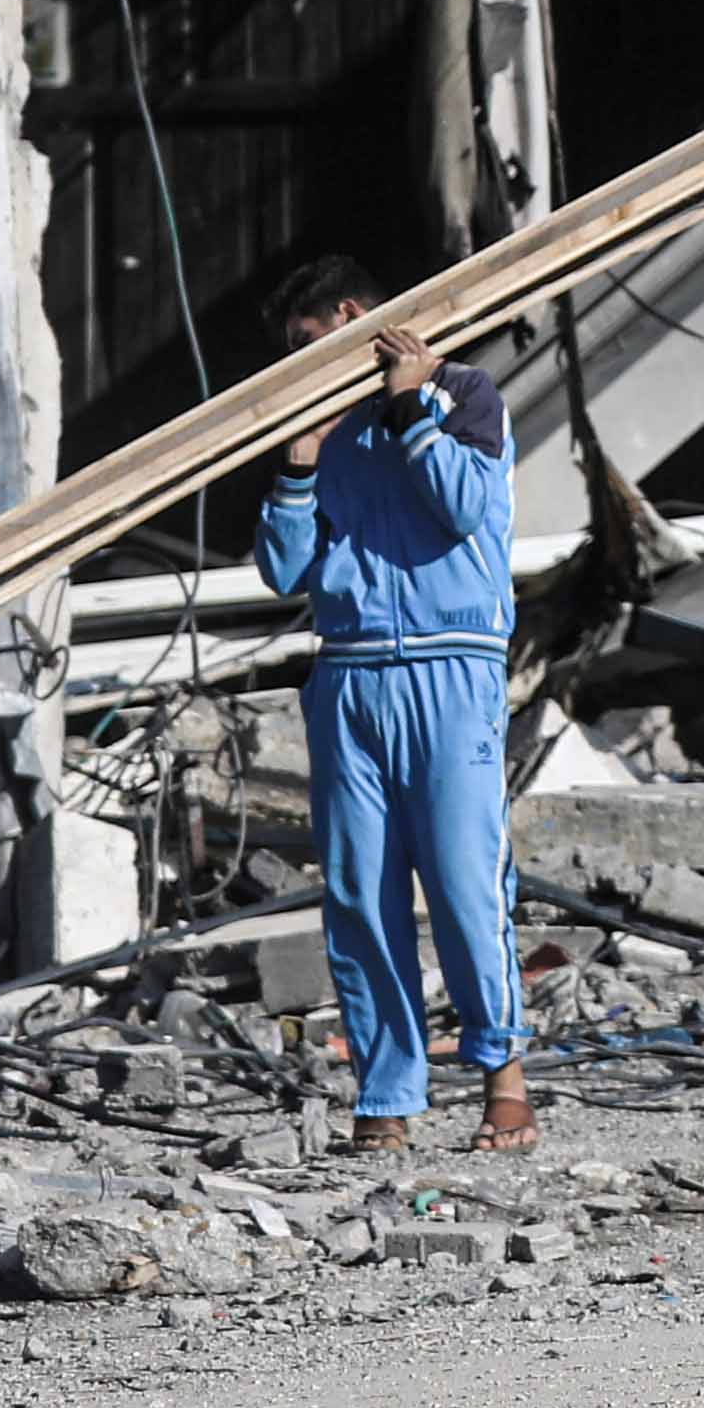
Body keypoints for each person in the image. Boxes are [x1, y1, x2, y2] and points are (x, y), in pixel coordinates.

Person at [249, 259, 533, 1153]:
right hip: (351, 672)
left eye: (306, 344)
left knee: (462, 881)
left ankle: (505, 1087)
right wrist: (296, 464)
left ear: (349, 317)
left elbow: (464, 508)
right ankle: (388, 1098)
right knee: (360, 894)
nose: (301, 365)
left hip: (454, 668)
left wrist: (410, 407)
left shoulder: (466, 394)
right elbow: (284, 570)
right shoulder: (323, 430)